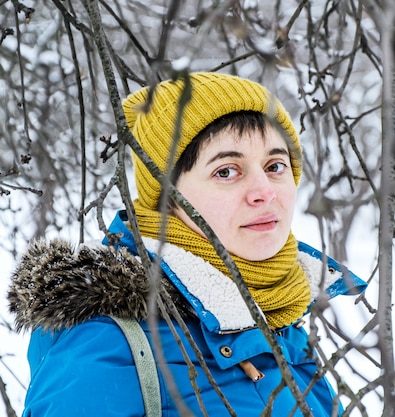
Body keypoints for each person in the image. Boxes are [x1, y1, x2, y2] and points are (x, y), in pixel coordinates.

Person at [8, 72, 367, 416]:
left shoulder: (281, 313)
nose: (265, 193)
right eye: (226, 171)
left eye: (275, 166)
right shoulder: (110, 345)